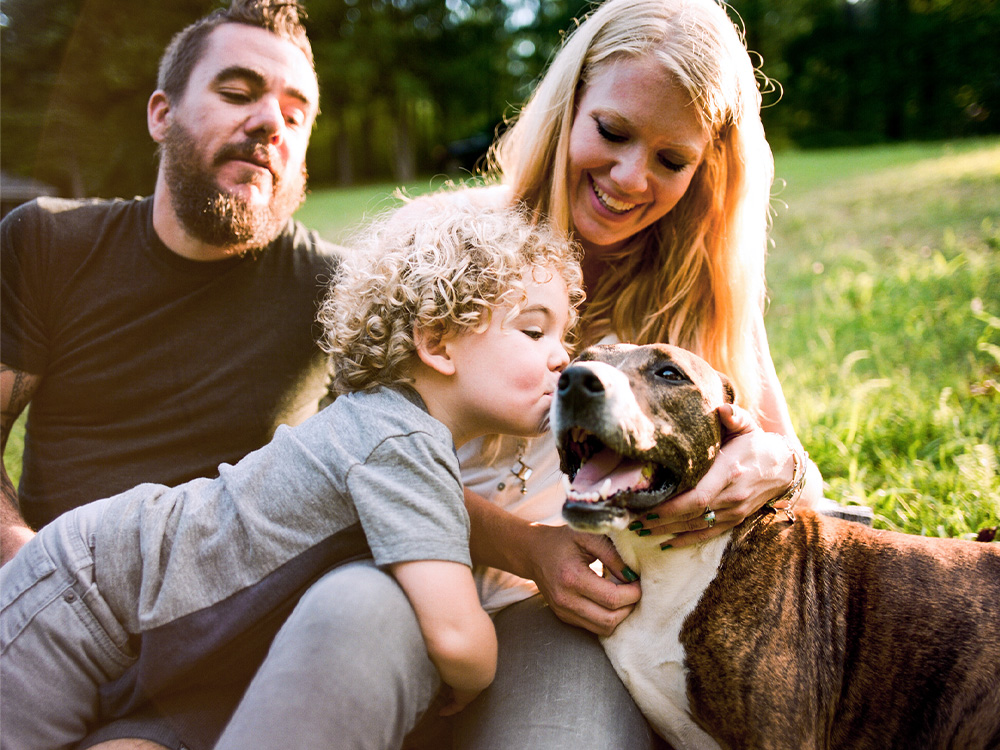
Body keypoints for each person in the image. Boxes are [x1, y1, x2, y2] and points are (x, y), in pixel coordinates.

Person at [221, 1, 851, 747]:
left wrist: (774, 461)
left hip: (567, 624)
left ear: (708, 166)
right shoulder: (451, 247)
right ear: (570, 104)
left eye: (670, 160)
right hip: (403, 571)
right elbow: (343, 452)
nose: (629, 178)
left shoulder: (696, 295)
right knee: (348, 622)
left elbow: (806, 491)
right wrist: (525, 547)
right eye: (612, 133)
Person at [0, 196, 584, 750]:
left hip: (130, 621)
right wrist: (474, 678)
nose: (562, 356)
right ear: (437, 342)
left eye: (565, 336)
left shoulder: (387, 427)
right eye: (535, 331)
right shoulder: (402, 441)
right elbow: (458, 635)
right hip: (80, 595)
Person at [0, 0, 339, 746]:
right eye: (238, 92)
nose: (269, 125)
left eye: (296, 111)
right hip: (52, 617)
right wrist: (23, 555)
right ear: (161, 113)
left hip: (203, 670)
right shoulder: (48, 244)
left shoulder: (339, 295)